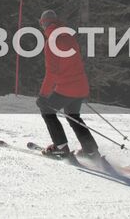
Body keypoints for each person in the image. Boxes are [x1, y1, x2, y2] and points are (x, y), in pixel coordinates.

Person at [36, 9, 99, 157]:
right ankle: (91, 150)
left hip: (67, 88)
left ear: (43, 24)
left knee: (47, 111)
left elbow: (52, 73)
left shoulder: (51, 41)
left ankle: (61, 147)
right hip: (81, 86)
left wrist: (43, 95)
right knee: (73, 115)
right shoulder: (70, 37)